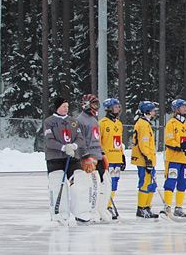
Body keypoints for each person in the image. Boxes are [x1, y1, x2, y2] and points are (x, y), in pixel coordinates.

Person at [44, 96, 90, 225]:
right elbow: (49, 141)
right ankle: (59, 212)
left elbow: (80, 138)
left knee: (79, 179)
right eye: (63, 106)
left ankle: (81, 212)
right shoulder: (49, 121)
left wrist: (74, 146)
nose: (66, 109)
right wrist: (63, 147)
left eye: (67, 107)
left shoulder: (73, 122)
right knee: (57, 182)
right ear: (57, 107)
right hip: (55, 157)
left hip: (72, 157)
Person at [76, 94, 111, 223]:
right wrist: (85, 156)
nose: (96, 107)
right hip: (89, 157)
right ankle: (92, 211)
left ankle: (101, 209)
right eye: (94, 104)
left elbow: (97, 138)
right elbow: (80, 141)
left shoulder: (94, 120)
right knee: (93, 185)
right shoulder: (80, 121)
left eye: (97, 105)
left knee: (105, 184)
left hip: (98, 155)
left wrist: (102, 153)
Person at [163, 99, 186, 218]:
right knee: (170, 182)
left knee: (183, 183)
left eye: (185, 107)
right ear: (176, 109)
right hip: (174, 159)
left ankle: (179, 207)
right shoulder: (171, 124)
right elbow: (169, 140)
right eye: (182, 107)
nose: (185, 109)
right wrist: (180, 146)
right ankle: (167, 206)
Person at [131, 101, 160, 218]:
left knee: (151, 183)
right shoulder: (142, 124)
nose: (154, 112)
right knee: (145, 183)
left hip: (149, 159)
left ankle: (147, 206)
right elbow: (143, 144)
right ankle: (141, 208)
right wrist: (147, 159)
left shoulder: (146, 123)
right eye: (152, 110)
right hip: (144, 160)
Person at [99, 97, 125, 219]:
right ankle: (103, 206)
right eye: (115, 107)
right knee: (106, 184)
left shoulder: (118, 124)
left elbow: (118, 142)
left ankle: (108, 205)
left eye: (118, 107)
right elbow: (98, 141)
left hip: (117, 158)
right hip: (107, 159)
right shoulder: (103, 123)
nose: (118, 109)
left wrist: (122, 155)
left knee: (114, 184)